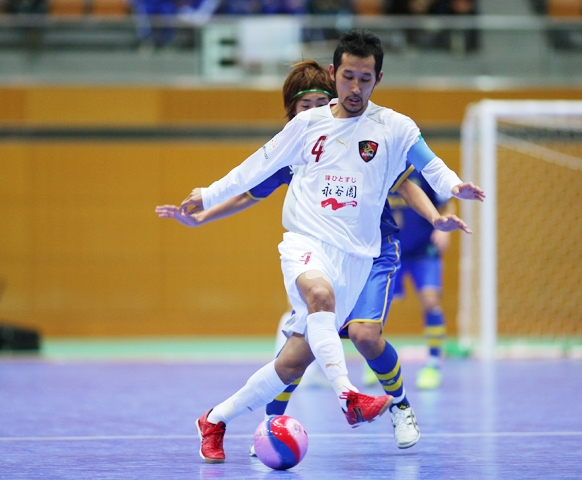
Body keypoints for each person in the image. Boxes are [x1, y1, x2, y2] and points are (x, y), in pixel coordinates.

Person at [174, 29, 484, 464]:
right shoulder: (306, 125)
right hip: (306, 244)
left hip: (358, 257)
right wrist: (208, 196)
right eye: (348, 77)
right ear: (335, 73)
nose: (355, 87)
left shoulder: (395, 127)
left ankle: (214, 419)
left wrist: (454, 188)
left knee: (292, 363)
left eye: (365, 79)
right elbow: (256, 167)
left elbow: (429, 166)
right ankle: (348, 395)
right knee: (319, 295)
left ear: (378, 79)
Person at [388, 167, 454, 389]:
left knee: (431, 301)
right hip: (389, 248)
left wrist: (443, 229)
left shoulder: (419, 169)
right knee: (379, 306)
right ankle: (374, 361)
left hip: (424, 249)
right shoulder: (379, 165)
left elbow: (446, 203)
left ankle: (434, 363)